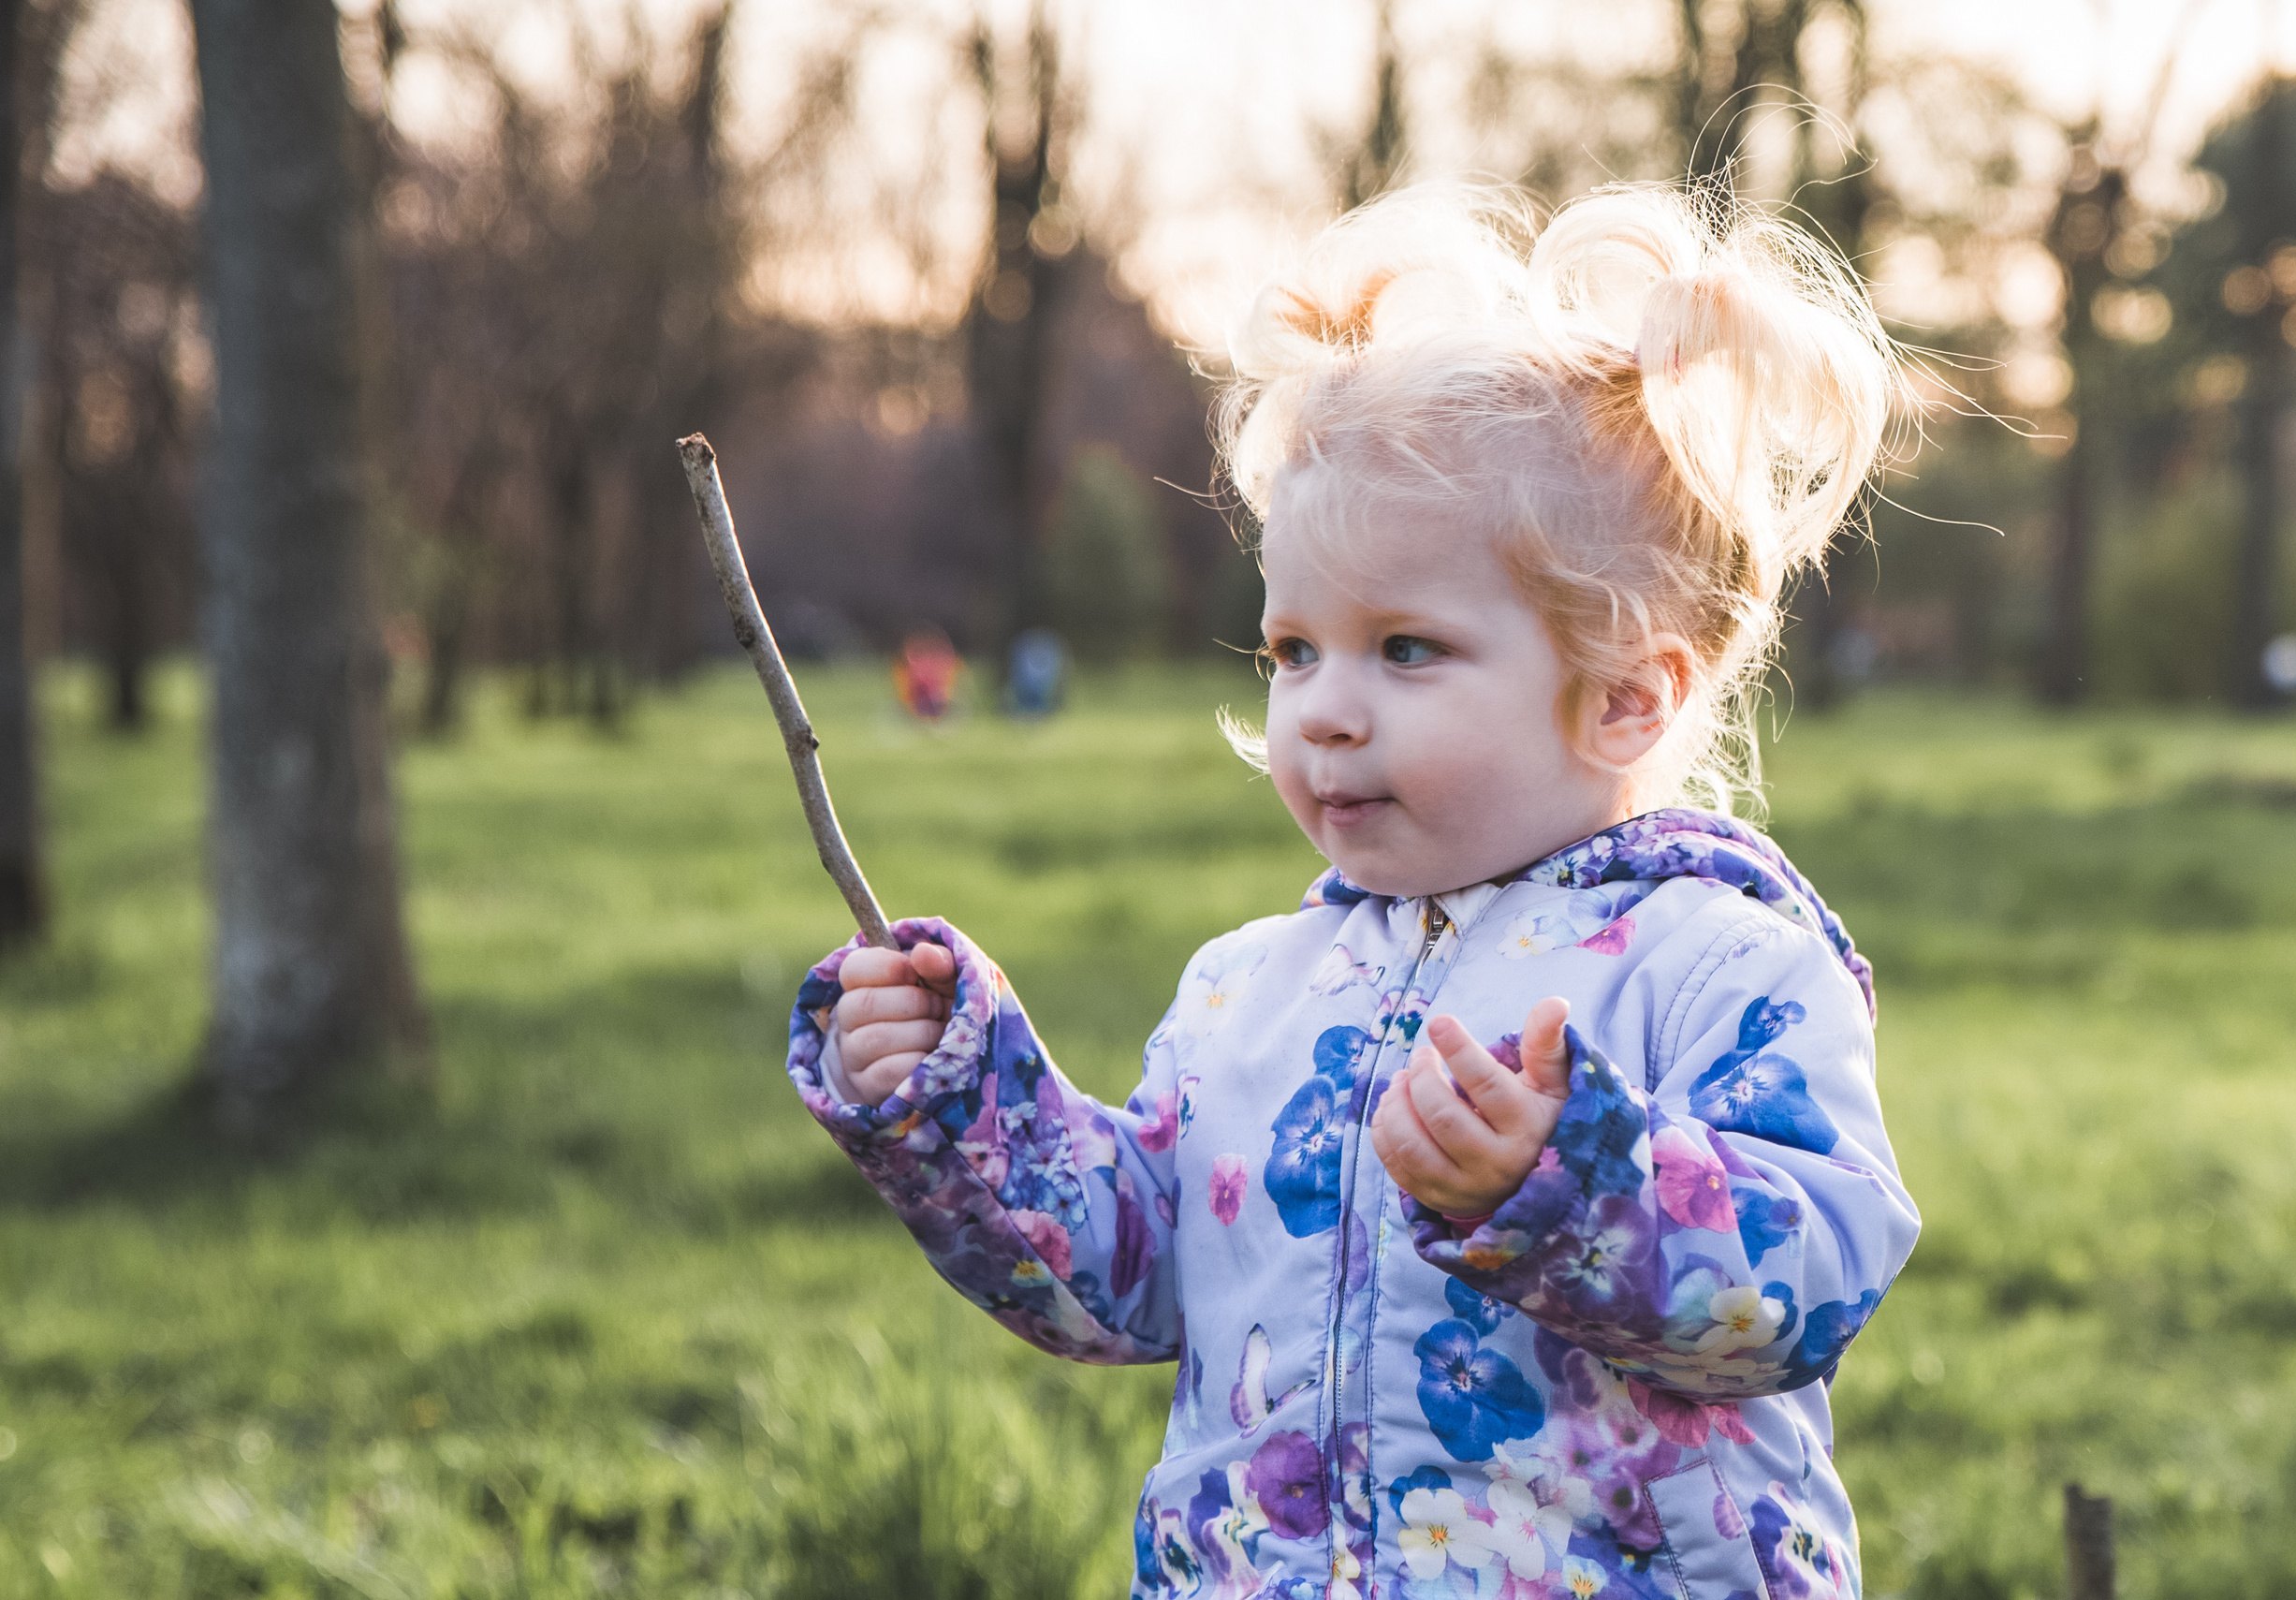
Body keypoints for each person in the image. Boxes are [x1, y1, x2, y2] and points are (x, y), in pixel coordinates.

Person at [790, 184, 1920, 1600]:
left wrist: (1566, 1180)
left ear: (1629, 696)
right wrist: (962, 1103)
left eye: (1405, 648)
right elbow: (1128, 1280)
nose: (1322, 709)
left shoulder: (1717, 964)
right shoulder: (1246, 992)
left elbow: (1810, 1282)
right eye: (1292, 651)